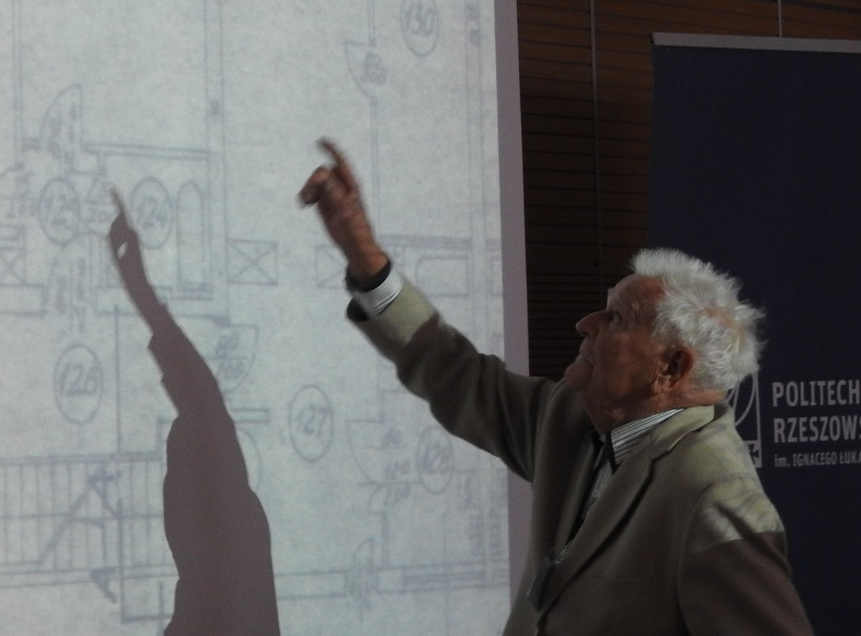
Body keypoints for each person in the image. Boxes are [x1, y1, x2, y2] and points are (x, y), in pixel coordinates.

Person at [299, 140, 812, 635]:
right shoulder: (573, 421)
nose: (585, 324)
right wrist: (367, 261)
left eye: (616, 319)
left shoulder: (714, 496)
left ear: (671, 367)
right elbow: (456, 374)